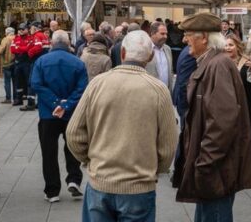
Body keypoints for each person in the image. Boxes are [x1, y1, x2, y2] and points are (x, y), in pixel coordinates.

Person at [67, 30, 178, 221]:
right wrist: (153, 169)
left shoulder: (97, 84)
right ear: (150, 56)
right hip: (139, 186)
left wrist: (91, 160)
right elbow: (168, 145)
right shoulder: (159, 90)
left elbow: (74, 133)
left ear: (123, 53)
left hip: (100, 181)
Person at [173, 13, 251, 221]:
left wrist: (204, 163)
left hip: (215, 170)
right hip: (213, 168)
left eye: (188, 34)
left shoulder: (217, 65)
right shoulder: (213, 63)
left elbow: (222, 123)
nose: (184, 40)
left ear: (203, 38)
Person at [30, 30, 88, 203]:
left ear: (52, 42)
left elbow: (36, 84)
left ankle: (52, 190)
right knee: (72, 147)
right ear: (68, 42)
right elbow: (82, 88)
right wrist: (66, 104)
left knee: (49, 152)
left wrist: (55, 103)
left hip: (48, 113)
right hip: (71, 113)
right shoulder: (77, 62)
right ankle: (74, 179)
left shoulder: (41, 61)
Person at [146, 21, 174, 93]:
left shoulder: (168, 49)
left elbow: (170, 72)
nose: (165, 36)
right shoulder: (145, 49)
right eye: (162, 34)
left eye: (166, 34)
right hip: (151, 94)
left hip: (166, 94)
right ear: (152, 33)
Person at [10, 23, 32, 106]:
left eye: (23, 29)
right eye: (19, 29)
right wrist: (22, 49)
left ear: (27, 29)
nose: (21, 31)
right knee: (18, 81)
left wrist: (18, 48)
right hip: (18, 63)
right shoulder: (16, 38)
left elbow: (28, 49)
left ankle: (30, 99)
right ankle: (19, 99)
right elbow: (12, 49)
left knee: (28, 81)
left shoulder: (30, 38)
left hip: (27, 63)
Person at [0, 27, 15, 104]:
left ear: (7, 32)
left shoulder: (5, 39)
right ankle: (16, 97)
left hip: (6, 62)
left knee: (7, 81)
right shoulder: (16, 38)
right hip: (15, 62)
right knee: (15, 81)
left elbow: (0, 51)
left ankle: (8, 98)